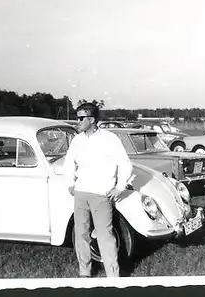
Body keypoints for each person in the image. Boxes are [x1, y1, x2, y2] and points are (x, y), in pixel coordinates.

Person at [63, 102, 133, 278]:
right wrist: (70, 184)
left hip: (101, 195)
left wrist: (119, 187)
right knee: (81, 234)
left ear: (92, 119)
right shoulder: (77, 140)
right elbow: (68, 163)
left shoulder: (110, 139)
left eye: (80, 118)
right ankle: (84, 272)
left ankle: (113, 276)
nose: (76, 122)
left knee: (105, 236)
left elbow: (125, 164)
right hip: (81, 194)